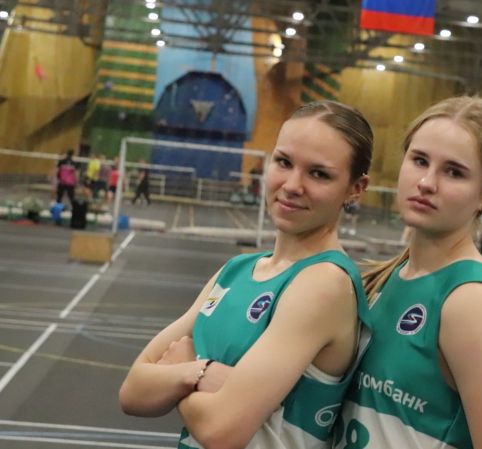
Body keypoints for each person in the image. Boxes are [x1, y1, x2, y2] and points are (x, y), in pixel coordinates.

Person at [119, 100, 374, 449]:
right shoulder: (236, 271)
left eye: (319, 174)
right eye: (284, 162)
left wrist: (182, 370)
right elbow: (133, 391)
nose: (292, 185)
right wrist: (198, 373)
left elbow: (221, 430)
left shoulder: (324, 283)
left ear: (355, 188)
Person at [335, 97, 482, 449]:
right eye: (420, 160)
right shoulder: (388, 277)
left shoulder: (470, 302)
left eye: (454, 172)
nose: (426, 182)